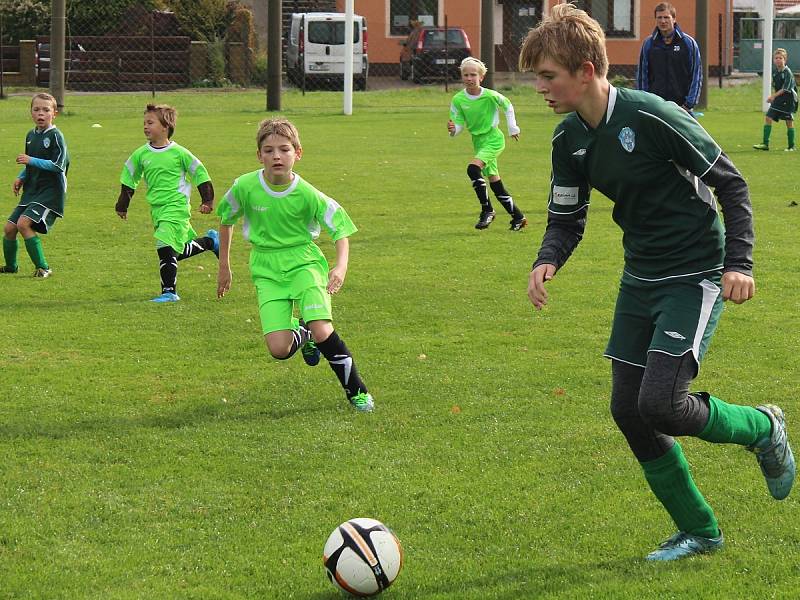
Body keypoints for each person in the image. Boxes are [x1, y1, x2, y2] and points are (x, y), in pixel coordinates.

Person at [519, 3, 795, 561]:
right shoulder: (567, 140)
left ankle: (764, 428)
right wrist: (547, 259)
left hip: (695, 271)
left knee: (663, 404)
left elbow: (732, 185)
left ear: (586, 71)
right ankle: (700, 531)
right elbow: (567, 217)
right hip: (640, 274)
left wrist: (740, 263)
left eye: (548, 76)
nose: (540, 88)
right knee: (629, 409)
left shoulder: (652, 116)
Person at [216, 117, 375, 412]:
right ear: (259, 155)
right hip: (265, 267)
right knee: (279, 349)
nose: (277, 156)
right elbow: (225, 220)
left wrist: (340, 267)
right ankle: (304, 332)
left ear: (297, 153)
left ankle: (357, 391)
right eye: (269, 150)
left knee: (323, 328)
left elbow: (340, 229)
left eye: (284, 149)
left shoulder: (307, 193)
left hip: (304, 262)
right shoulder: (245, 186)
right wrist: (224, 266)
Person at [116, 104, 219, 303]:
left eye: (150, 122)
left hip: (176, 207)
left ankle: (169, 292)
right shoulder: (141, 154)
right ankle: (210, 242)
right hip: (157, 209)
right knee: (174, 252)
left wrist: (207, 199)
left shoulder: (180, 153)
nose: (145, 126)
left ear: (165, 126)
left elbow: (200, 173)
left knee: (164, 245)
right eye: (144, 123)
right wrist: (122, 204)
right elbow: (129, 178)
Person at [448, 57, 527, 231]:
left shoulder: (490, 96)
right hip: (478, 142)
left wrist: (513, 127)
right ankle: (518, 217)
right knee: (495, 182)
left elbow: (507, 105)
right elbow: (458, 125)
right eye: (466, 75)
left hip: (493, 139)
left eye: (473, 75)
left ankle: (487, 210)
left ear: (481, 77)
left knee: (472, 169)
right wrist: (453, 129)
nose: (469, 78)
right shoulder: (458, 100)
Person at [2, 93, 69, 277]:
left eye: (46, 110)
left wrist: (31, 160)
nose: (41, 113)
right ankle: (10, 267)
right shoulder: (31, 135)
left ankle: (44, 268)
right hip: (32, 190)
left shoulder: (56, 136)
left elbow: (58, 165)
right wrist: (21, 177)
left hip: (51, 193)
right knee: (9, 228)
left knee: (24, 224)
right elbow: (30, 164)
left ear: (54, 113)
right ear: (31, 112)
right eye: (36, 109)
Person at [636, 2, 702, 114]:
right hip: (656, 106)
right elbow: (642, 76)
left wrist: (688, 104)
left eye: (666, 17)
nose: (663, 21)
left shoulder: (688, 43)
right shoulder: (648, 44)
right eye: (659, 18)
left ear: (674, 19)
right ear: (655, 20)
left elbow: (696, 75)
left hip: (682, 108)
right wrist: (645, 102)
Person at [753, 48, 797, 151]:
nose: (778, 60)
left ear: (785, 60)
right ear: (773, 60)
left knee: (788, 121)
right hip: (779, 99)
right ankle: (765, 144)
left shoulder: (787, 72)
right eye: (776, 58)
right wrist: (775, 97)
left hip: (788, 100)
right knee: (768, 117)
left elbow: (785, 89)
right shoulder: (775, 71)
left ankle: (792, 146)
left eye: (780, 58)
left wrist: (773, 96)